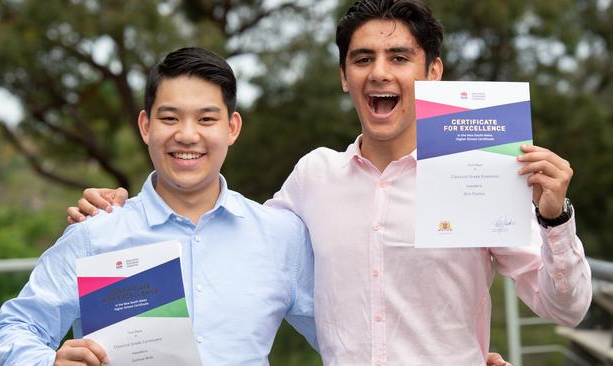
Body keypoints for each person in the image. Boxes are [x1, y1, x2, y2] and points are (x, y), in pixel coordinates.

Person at [69, 1, 592, 365]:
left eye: (399, 58)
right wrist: (122, 219)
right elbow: (227, 239)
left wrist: (554, 217)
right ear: (345, 76)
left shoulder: (482, 170)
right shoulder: (312, 177)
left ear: (434, 73)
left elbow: (565, 308)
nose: (378, 73)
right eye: (362, 59)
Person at [0, 47, 318, 366]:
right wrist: (50, 361)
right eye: (170, 118)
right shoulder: (96, 234)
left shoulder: (280, 237)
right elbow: (9, 332)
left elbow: (345, 337)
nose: (187, 135)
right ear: (146, 126)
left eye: (206, 119)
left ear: (232, 128)